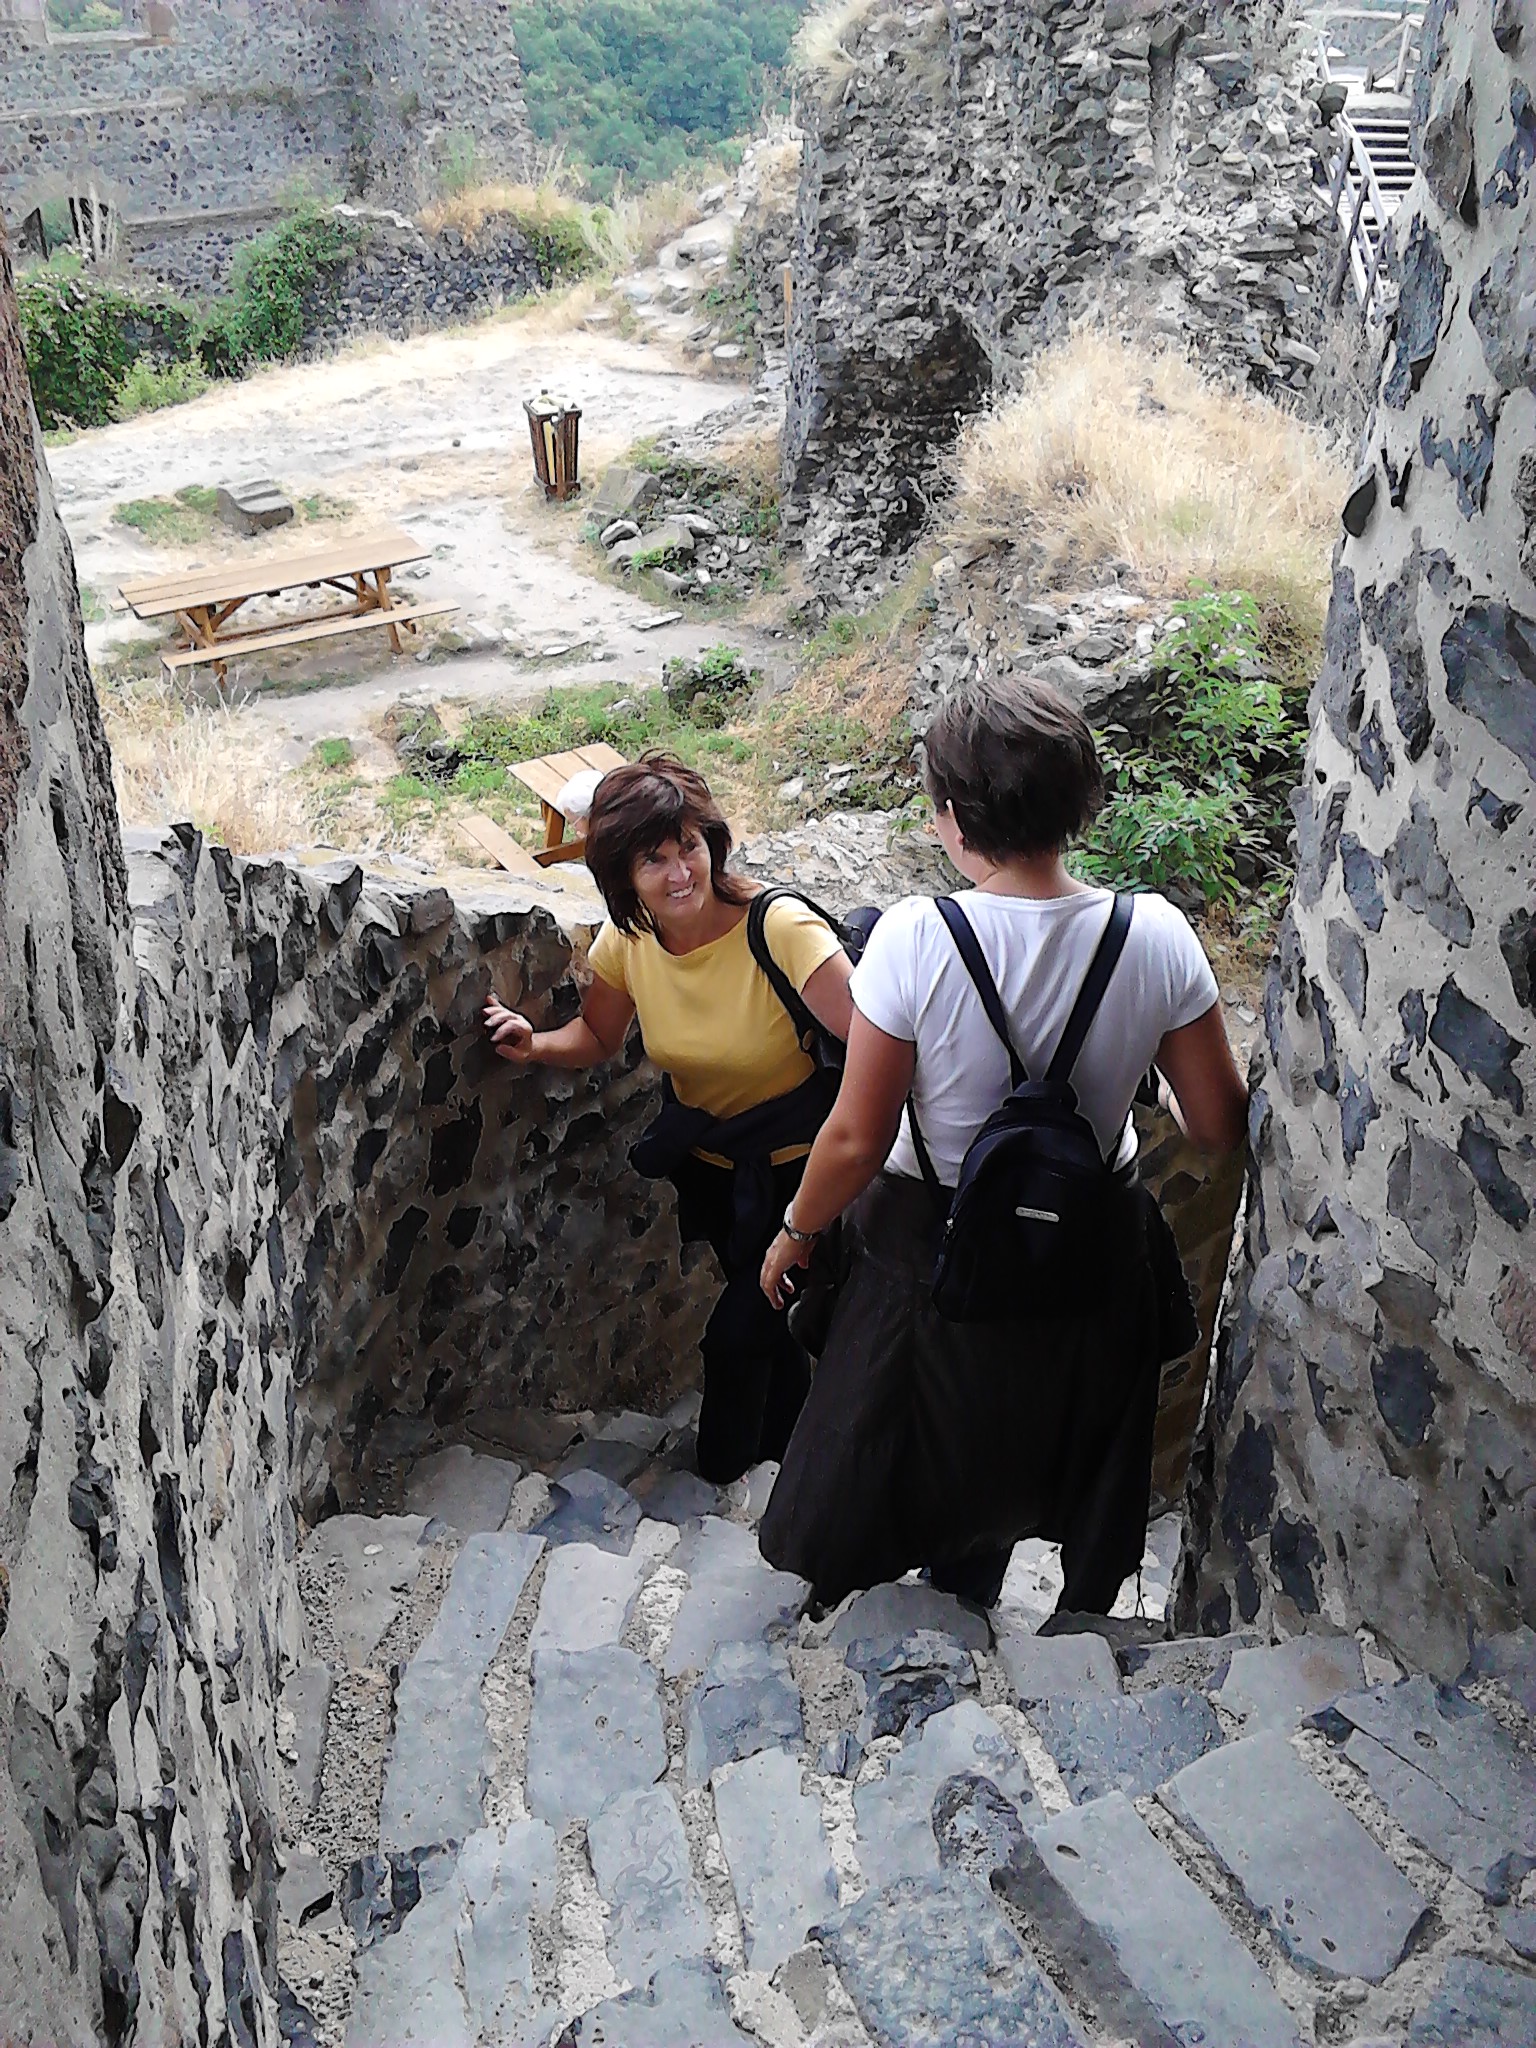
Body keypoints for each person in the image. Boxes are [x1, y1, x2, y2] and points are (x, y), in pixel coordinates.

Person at [757, 676, 1248, 1615]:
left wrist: (796, 1231)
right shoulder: (1155, 935)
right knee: (1037, 1434)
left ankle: (902, 1622)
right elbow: (1217, 1125)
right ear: (1080, 799)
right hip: (1087, 1251)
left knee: (909, 1437)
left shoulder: (914, 937)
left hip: (927, 1249)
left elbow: (857, 1137)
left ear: (952, 816)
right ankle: (1023, 1609)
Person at [484, 753, 854, 1486]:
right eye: (653, 859)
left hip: (806, 1179)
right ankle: (785, 1464)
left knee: (734, 1337)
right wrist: (534, 1044)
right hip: (717, 1175)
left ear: (712, 841)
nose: (680, 871)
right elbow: (599, 1035)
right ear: (622, 876)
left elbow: (880, 1043)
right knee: (769, 1326)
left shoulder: (779, 928)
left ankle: (722, 1476)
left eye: (689, 845)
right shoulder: (631, 940)